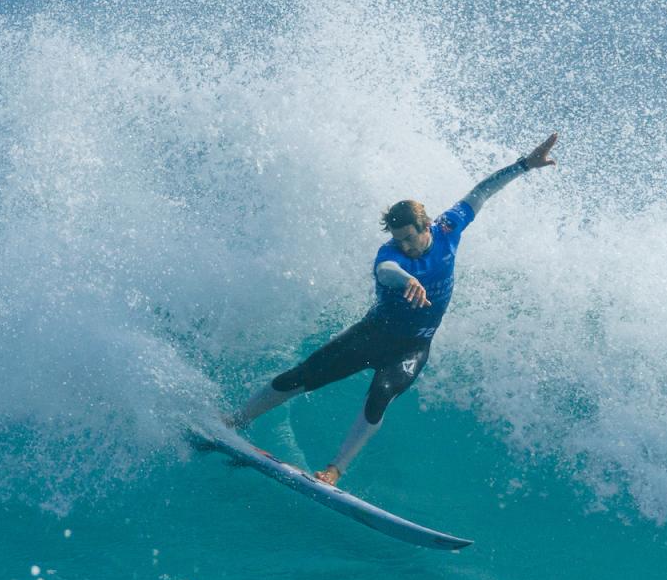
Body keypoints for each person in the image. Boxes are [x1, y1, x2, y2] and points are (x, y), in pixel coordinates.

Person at [226, 133, 558, 485]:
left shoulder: (448, 228)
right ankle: (236, 419)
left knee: (381, 395)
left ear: (426, 226)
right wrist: (407, 280)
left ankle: (334, 470)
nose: (404, 246)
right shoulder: (390, 257)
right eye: (397, 239)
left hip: (413, 346)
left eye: (409, 238)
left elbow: (482, 192)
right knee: (300, 376)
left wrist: (524, 165)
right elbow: (387, 271)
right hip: (374, 334)